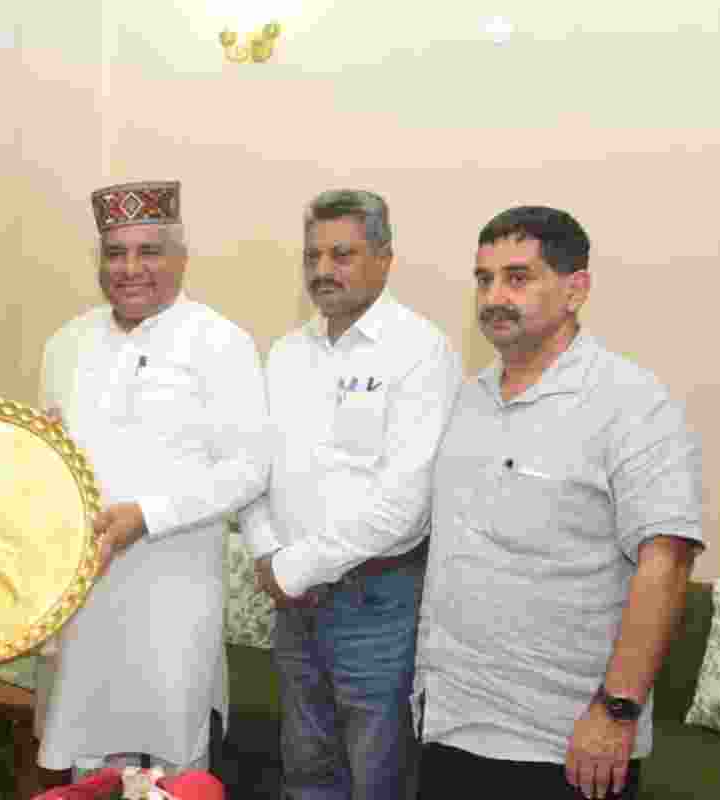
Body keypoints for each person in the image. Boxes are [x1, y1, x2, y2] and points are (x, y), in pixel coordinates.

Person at [415, 206, 705, 800]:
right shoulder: (468, 402)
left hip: (564, 745)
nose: (494, 295)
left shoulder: (632, 402)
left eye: (518, 278)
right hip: (449, 723)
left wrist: (617, 709)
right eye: (483, 278)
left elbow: (667, 562)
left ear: (576, 289)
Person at [35, 180, 269, 782]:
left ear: (181, 258)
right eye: (116, 253)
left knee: (171, 771)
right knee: (85, 767)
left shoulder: (221, 342)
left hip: (174, 596)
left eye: (149, 252)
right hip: (84, 599)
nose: (131, 269)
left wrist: (150, 516)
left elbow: (248, 468)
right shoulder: (64, 344)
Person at [241, 190, 461, 800]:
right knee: (306, 768)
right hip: (292, 601)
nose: (322, 270)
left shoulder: (420, 351)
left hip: (378, 601)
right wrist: (267, 554)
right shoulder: (286, 354)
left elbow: (407, 502)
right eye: (312, 255)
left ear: (385, 258)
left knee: (377, 773)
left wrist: (292, 566)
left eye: (342, 254)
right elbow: (254, 470)